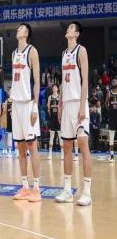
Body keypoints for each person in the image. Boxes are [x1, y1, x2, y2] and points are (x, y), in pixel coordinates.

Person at [55, 22, 92, 206]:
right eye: (68, 27)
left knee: (83, 146)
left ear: (77, 34)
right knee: (67, 147)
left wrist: (83, 106)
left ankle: (87, 192)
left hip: (78, 102)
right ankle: (68, 190)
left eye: (71, 28)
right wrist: (60, 102)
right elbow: (63, 81)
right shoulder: (63, 53)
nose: (68, 29)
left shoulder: (81, 51)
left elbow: (85, 80)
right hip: (67, 103)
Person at [10, 23, 42, 203]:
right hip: (16, 104)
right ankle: (24, 187)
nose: (18, 30)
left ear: (27, 33)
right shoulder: (14, 53)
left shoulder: (32, 51)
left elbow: (36, 81)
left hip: (28, 103)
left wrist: (35, 106)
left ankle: (36, 188)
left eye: (21, 28)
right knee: (20, 147)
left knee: (32, 145)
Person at [47, 84, 63, 160]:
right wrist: (50, 115)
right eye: (53, 87)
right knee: (51, 136)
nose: (54, 88)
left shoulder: (60, 97)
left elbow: (61, 107)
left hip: (58, 118)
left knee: (60, 136)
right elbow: (48, 107)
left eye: (55, 87)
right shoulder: (50, 97)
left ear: (57, 89)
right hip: (52, 118)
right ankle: (50, 154)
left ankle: (62, 153)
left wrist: (60, 116)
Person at [104, 76, 117, 163]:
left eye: (115, 81)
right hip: (112, 117)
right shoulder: (109, 93)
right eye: (113, 81)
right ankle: (112, 155)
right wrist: (110, 110)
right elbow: (105, 104)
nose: (114, 82)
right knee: (111, 136)